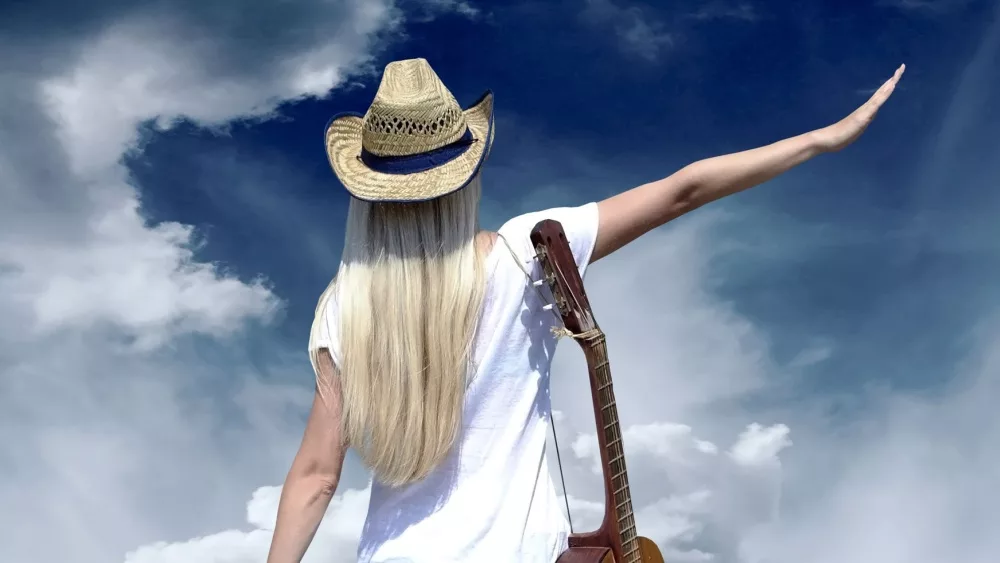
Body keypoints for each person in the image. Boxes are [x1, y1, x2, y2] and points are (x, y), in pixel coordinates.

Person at [265, 58, 904, 563]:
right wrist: (823, 139)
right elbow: (683, 190)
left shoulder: (346, 306)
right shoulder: (525, 253)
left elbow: (317, 476)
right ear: (466, 173)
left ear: (369, 193)